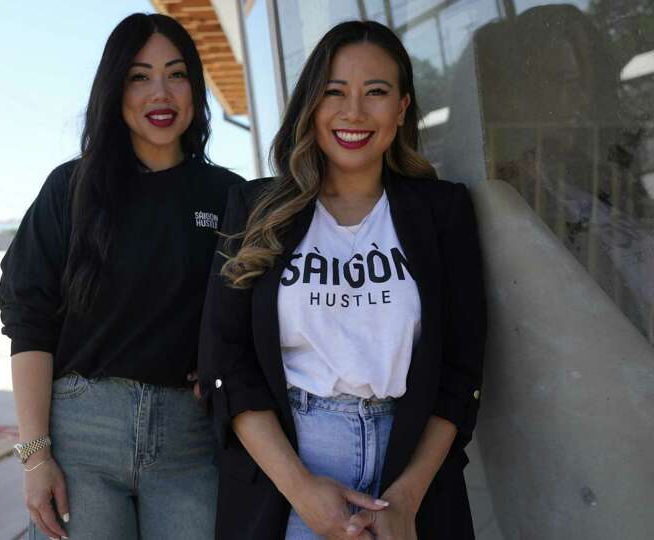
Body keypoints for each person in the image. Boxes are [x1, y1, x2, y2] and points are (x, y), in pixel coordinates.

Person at [198, 20, 486, 540]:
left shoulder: (442, 212)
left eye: (376, 92)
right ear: (311, 104)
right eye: (335, 92)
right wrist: (303, 491)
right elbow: (227, 363)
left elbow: (460, 370)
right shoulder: (257, 208)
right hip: (293, 465)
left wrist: (407, 497)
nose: (354, 112)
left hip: (410, 461)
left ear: (402, 109)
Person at [0, 12, 244, 540]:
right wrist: (35, 457)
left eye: (177, 75)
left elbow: (253, 314)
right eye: (140, 76)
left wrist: (217, 365)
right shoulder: (71, 188)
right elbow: (28, 322)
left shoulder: (229, 196)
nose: (161, 92)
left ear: (196, 90)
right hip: (82, 438)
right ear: (115, 89)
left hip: (188, 442)